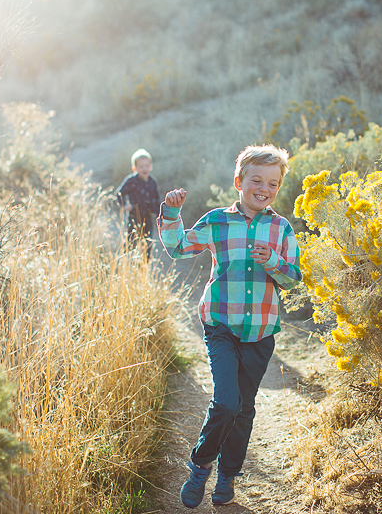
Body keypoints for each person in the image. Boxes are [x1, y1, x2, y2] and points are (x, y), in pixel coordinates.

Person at [157, 144, 302, 508]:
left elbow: (293, 278)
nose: (263, 188)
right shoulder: (217, 221)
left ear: (278, 188)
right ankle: (201, 465)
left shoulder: (281, 228)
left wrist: (273, 262)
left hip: (260, 332)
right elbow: (177, 249)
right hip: (220, 324)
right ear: (239, 181)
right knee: (226, 402)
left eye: (272, 183)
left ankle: (227, 475)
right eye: (256, 180)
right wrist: (172, 213)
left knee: (244, 408)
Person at [115, 148, 160, 259]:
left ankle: (144, 266)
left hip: (148, 218)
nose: (144, 169)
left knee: (148, 244)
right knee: (131, 243)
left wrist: (160, 215)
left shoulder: (152, 182)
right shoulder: (131, 181)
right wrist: (125, 205)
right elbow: (119, 193)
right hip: (134, 217)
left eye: (146, 166)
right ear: (135, 168)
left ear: (151, 166)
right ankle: (126, 264)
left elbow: (156, 199)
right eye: (140, 167)